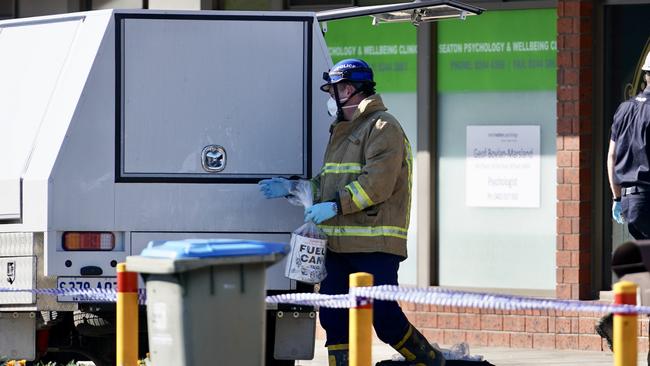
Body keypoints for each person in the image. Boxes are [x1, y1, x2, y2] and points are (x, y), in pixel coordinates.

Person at [259, 58, 445, 366]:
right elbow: (329, 181)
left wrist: (334, 206)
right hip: (339, 244)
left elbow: (376, 185)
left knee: (384, 317)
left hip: (374, 245)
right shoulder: (343, 129)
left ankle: (431, 361)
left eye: (332, 91)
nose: (330, 99)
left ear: (349, 89)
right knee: (333, 316)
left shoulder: (384, 127)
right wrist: (294, 188)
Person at [597, 50, 650, 358]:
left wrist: (617, 197)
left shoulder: (624, 109)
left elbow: (611, 158)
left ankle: (614, 321)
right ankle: (614, 321)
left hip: (630, 201)